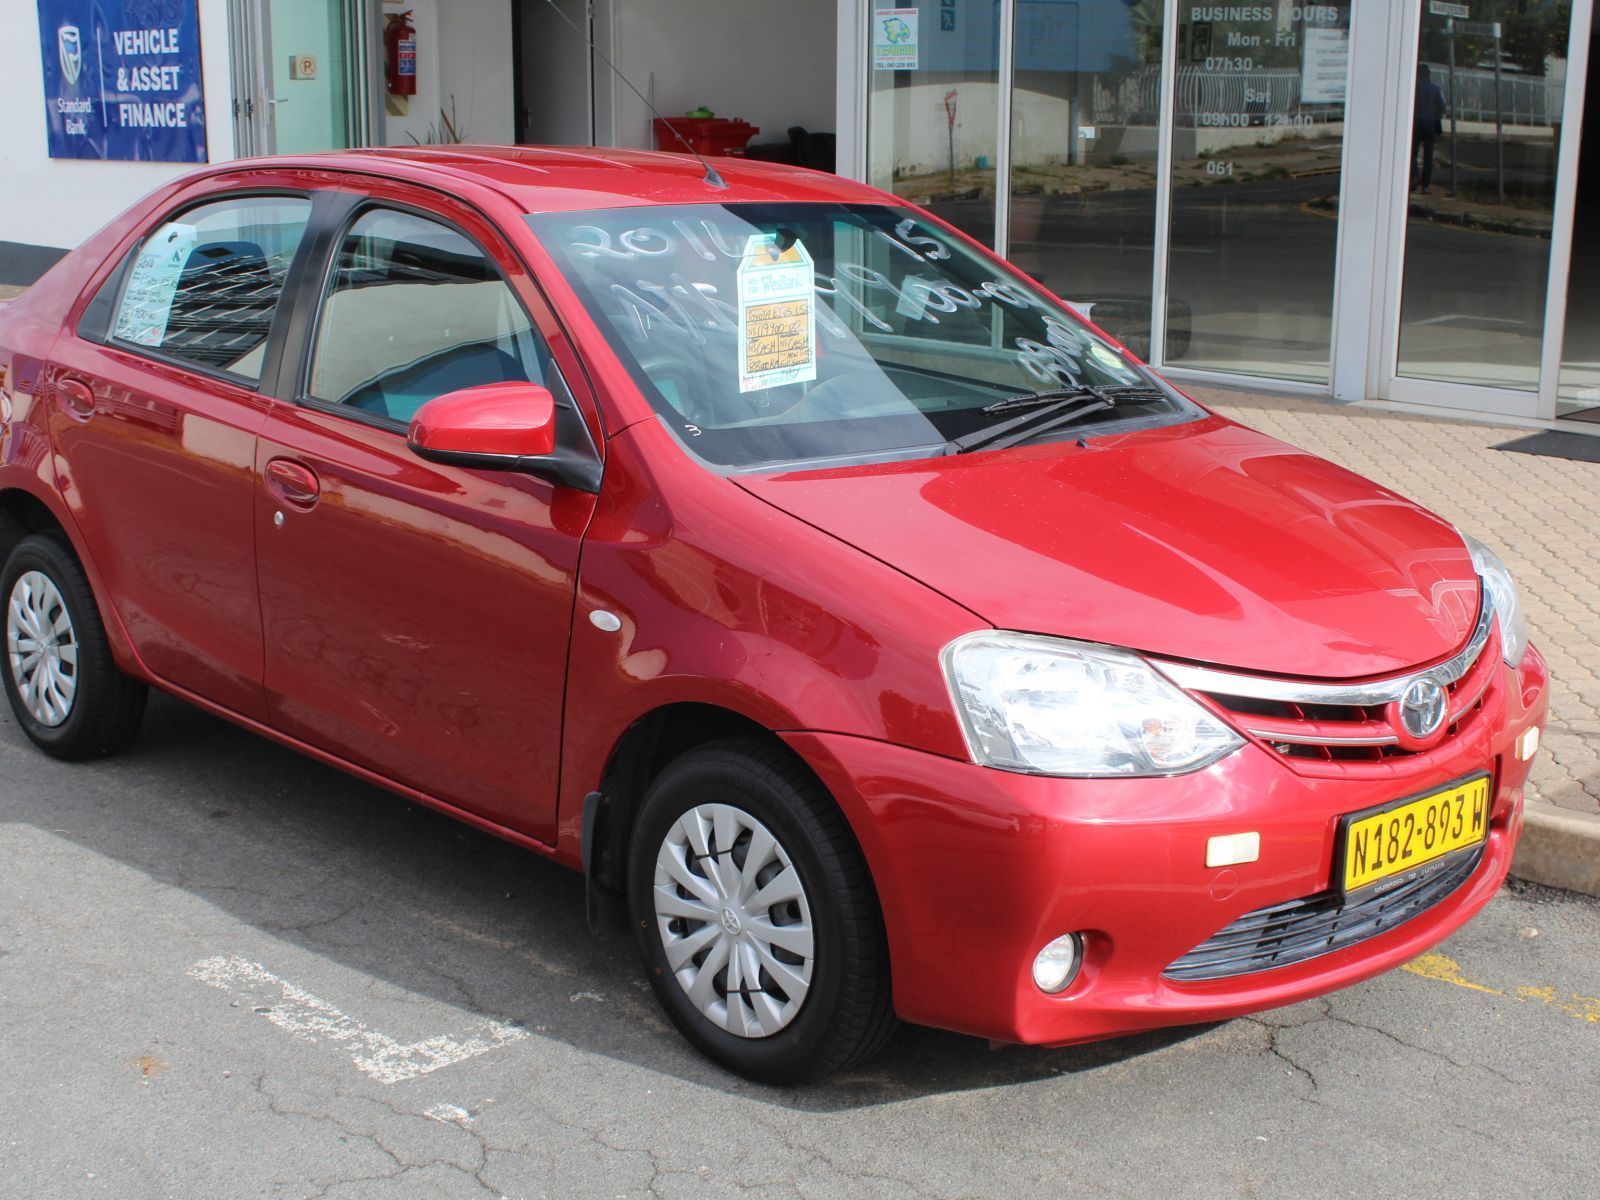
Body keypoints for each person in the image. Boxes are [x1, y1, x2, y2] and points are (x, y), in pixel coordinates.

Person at [1413, 64, 1448, 194]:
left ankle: (1414, 177)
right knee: (1428, 157)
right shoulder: (1435, 89)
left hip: (1416, 125)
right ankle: (1425, 186)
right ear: (1428, 75)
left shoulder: (1414, 87)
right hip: (1430, 126)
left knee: (1412, 154)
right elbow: (1442, 108)